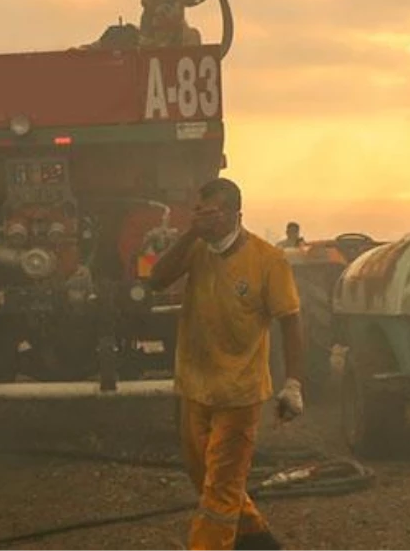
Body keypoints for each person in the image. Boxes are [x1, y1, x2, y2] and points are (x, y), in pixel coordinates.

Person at [148, 178, 305, 551]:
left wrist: (293, 383)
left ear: (236, 214)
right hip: (195, 386)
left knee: (220, 488)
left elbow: (291, 320)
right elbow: (156, 279)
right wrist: (190, 235)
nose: (205, 221)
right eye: (198, 212)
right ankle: (258, 541)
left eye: (212, 213)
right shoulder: (196, 249)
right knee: (203, 474)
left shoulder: (268, 260)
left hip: (239, 392)